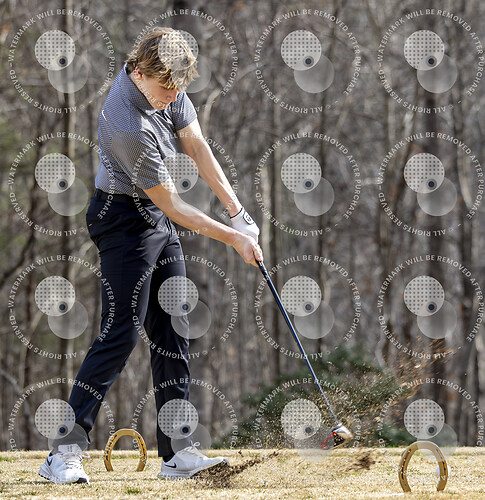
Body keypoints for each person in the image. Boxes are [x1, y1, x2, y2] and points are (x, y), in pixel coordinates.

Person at [39, 27, 262, 484]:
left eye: (178, 89)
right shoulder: (127, 123)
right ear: (139, 74)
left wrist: (237, 211)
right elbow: (175, 206)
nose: (173, 97)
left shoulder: (167, 82)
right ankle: (62, 453)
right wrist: (234, 239)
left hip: (154, 215)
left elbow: (195, 144)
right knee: (121, 332)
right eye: (166, 89)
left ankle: (177, 453)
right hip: (122, 219)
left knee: (172, 325)